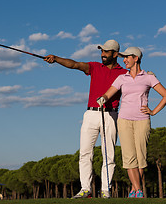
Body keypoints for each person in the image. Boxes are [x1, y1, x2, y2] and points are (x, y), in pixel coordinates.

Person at [44, 40, 127, 199]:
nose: (103, 54)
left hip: (111, 115)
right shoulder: (95, 67)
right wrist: (56, 58)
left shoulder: (123, 73)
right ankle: (85, 189)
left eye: (106, 52)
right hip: (91, 114)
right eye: (102, 51)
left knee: (108, 154)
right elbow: (74, 65)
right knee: (85, 153)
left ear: (115, 54)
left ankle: (105, 190)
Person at [97, 47, 166, 198]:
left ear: (136, 58)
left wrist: (153, 111)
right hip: (124, 120)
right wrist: (103, 98)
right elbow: (109, 93)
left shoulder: (149, 77)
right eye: (123, 57)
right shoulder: (122, 78)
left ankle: (134, 189)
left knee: (140, 158)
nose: (124, 60)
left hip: (142, 121)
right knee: (129, 157)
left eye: (126, 57)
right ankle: (138, 190)